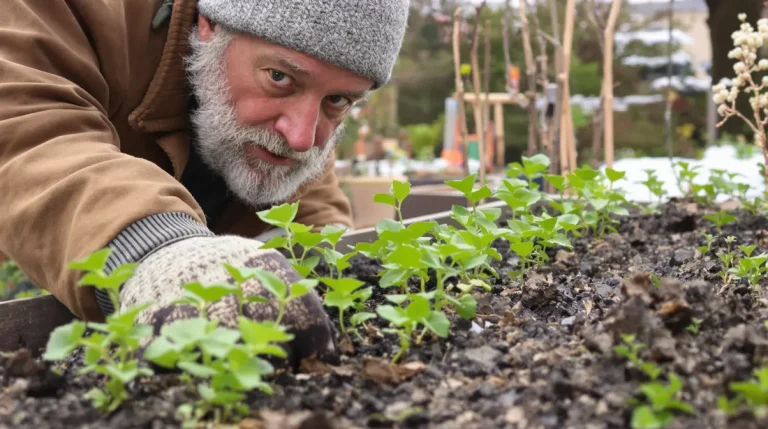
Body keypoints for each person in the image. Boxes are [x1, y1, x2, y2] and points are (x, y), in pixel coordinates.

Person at [0, 0, 409, 365]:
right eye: (280, 78)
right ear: (209, 23)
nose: (302, 137)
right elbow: (27, 132)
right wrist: (153, 248)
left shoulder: (298, 127)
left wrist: (335, 281)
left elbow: (312, 207)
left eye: (337, 101)